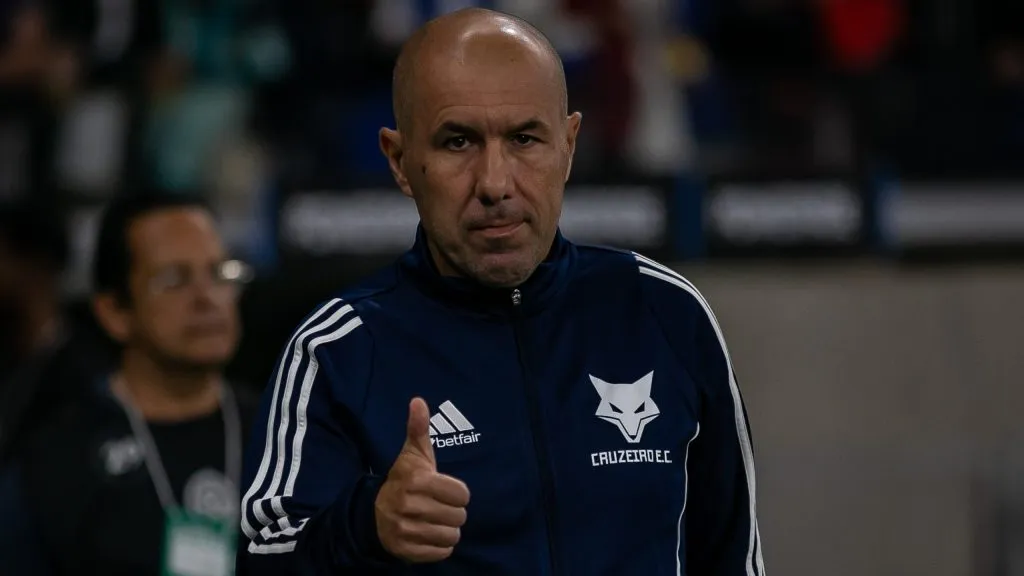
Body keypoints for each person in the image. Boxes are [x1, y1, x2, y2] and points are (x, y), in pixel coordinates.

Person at [239, 8, 764, 576]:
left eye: (524, 139)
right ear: (401, 161)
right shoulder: (338, 351)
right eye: (458, 142)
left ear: (568, 146)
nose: (494, 183)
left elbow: (734, 558)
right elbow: (258, 559)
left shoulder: (667, 313)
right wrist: (367, 526)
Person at [1, 193, 259, 576]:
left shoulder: (289, 434)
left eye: (220, 272)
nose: (207, 298)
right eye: (175, 279)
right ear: (114, 312)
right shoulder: (54, 461)